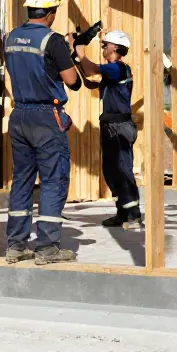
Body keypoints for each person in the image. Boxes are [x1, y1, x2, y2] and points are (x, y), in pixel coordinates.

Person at [3, 0, 81, 265]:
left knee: (22, 179)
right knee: (53, 180)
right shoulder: (53, 40)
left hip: (20, 115)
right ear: (50, 12)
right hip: (46, 116)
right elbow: (73, 81)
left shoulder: (11, 37)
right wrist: (70, 52)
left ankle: (15, 246)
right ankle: (47, 247)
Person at [75, 29, 142, 230]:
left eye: (105, 45)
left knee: (123, 171)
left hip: (119, 127)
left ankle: (133, 216)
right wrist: (77, 63)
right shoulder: (111, 72)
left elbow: (93, 69)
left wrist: (79, 50)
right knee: (112, 172)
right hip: (110, 126)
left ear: (115, 47)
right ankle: (122, 213)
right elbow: (89, 80)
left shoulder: (118, 68)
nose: (103, 47)